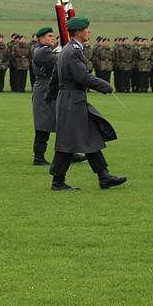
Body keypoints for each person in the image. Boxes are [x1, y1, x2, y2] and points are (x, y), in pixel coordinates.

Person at [47, 16, 127, 191]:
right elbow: (82, 77)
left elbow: (55, 75)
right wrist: (104, 86)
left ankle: (104, 176)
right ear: (78, 33)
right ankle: (58, 182)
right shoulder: (73, 51)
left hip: (71, 99)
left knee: (90, 136)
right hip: (71, 100)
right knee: (68, 141)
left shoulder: (68, 49)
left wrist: (50, 96)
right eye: (86, 29)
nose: (89, 32)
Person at [30, 27, 57, 165]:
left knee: (61, 122)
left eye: (53, 36)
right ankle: (39, 157)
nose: (53, 38)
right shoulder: (44, 51)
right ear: (41, 39)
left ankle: (68, 153)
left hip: (48, 87)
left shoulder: (42, 50)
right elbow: (59, 63)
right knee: (43, 125)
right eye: (49, 36)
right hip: (45, 89)